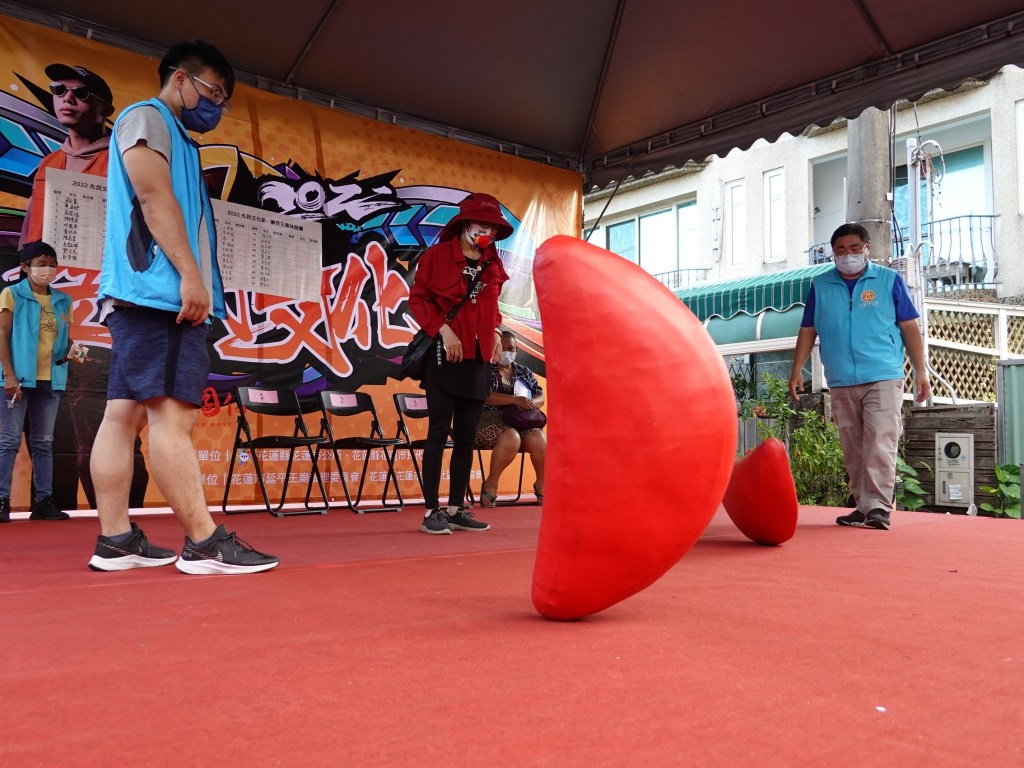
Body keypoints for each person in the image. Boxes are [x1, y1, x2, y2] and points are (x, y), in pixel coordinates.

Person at [87, 40, 278, 573]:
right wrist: (191, 278)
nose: (217, 105)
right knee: (173, 419)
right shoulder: (148, 118)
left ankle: (116, 540)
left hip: (142, 297)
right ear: (180, 78)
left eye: (223, 99)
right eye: (213, 92)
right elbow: (153, 199)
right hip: (161, 297)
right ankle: (204, 543)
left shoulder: (176, 137)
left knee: (122, 416)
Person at [18, 62, 150, 512]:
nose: (67, 99)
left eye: (81, 93)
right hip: (48, 321)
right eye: (59, 90)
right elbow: (29, 243)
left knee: (103, 422)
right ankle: (51, 510)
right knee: (48, 428)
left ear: (104, 107)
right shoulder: (48, 165)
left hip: (103, 323)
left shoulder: (124, 159)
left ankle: (123, 517)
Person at [788, 223, 931, 531]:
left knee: (880, 439)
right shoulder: (821, 285)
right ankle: (863, 505)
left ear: (867, 248)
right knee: (852, 445)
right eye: (840, 250)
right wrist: (797, 369)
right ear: (832, 253)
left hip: (882, 374)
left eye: (854, 248)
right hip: (840, 377)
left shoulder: (889, 280)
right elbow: (808, 329)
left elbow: (909, 326)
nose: (847, 255)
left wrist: (921, 370)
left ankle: (878, 506)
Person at [408, 192, 511, 534]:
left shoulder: (492, 262)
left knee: (466, 436)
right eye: (484, 225)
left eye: (493, 228)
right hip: (445, 355)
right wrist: (443, 331)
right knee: (439, 431)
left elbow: (493, 306)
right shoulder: (437, 256)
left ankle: (455, 508)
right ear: (466, 224)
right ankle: (431, 511)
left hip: (477, 359)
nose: (488, 232)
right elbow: (418, 299)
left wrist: (495, 331)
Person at [0, 241, 86, 522]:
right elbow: (2, 335)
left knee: (44, 443)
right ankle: (2, 501)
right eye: (41, 264)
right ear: (25, 267)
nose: (47, 270)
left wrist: (73, 351)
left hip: (51, 379)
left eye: (52, 264)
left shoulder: (63, 300)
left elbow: (61, 337)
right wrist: (8, 375)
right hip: (17, 380)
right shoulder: (11, 294)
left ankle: (43, 502)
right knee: (9, 442)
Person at [476, 330, 546, 506]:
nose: (506, 352)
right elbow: (484, 396)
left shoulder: (524, 371)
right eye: (502, 348)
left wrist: (530, 403)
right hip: (488, 420)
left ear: (516, 350)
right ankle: (491, 484)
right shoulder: (484, 368)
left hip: (520, 421)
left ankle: (542, 484)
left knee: (539, 439)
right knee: (512, 437)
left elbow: (540, 396)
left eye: (511, 349)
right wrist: (514, 400)